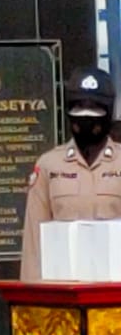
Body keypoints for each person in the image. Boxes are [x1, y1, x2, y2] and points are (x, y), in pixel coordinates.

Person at [21, 67, 121, 280]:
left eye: (95, 110)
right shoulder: (49, 165)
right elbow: (34, 242)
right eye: (79, 109)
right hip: (64, 294)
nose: (86, 118)